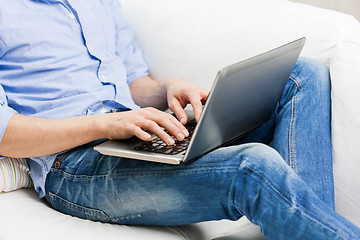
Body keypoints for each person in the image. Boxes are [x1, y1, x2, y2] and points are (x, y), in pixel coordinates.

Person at [0, 0, 359, 239]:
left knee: (301, 75)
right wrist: (108, 125)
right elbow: (6, 136)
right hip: (75, 166)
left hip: (141, 133)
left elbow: (134, 81)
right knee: (252, 167)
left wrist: (167, 89)